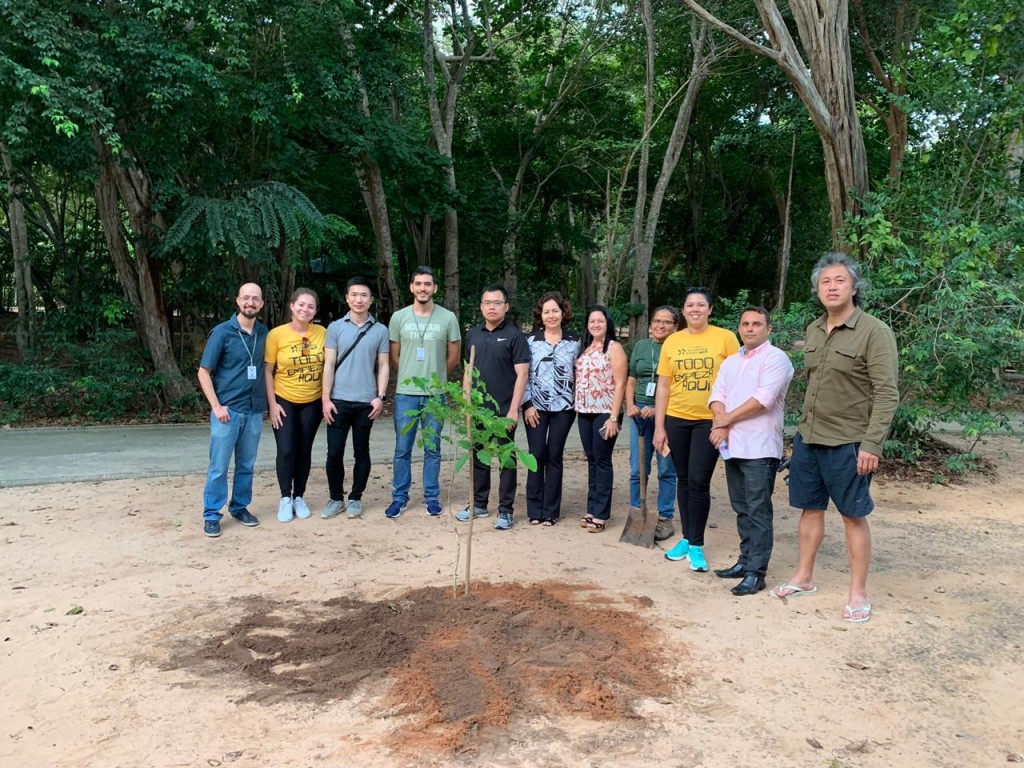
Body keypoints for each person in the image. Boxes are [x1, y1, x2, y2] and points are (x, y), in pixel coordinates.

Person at [770, 253, 898, 623]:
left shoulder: (875, 332)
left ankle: (857, 594)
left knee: (852, 516)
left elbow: (887, 393)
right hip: (810, 438)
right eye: (825, 282)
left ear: (854, 287)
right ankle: (804, 577)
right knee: (810, 510)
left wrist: (872, 444)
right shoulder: (813, 330)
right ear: (817, 289)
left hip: (850, 442)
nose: (831, 287)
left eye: (839, 280)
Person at [708, 307, 794, 595]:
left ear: (768, 329)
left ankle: (757, 573)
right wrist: (721, 422)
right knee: (741, 507)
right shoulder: (731, 362)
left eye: (756, 324)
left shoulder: (776, 359)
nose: (749, 328)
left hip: (760, 446)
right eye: (745, 324)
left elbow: (763, 400)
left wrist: (724, 420)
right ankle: (744, 561)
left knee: (758, 509)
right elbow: (717, 396)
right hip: (733, 445)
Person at [653, 287, 739, 571]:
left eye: (701, 305)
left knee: (699, 481)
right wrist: (659, 427)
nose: (695, 309)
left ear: (710, 309)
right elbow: (664, 386)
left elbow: (737, 382)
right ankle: (688, 539)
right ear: (684, 309)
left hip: (708, 420)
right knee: (683, 479)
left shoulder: (725, 338)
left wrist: (725, 421)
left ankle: (697, 545)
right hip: (677, 418)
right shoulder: (673, 341)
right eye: (690, 305)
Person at [386, 266, 462, 518]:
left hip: (435, 394)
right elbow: (395, 355)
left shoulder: (448, 317)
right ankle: (399, 497)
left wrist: (437, 376)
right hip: (406, 393)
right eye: (418, 283)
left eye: (427, 284)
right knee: (402, 448)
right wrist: (410, 374)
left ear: (435, 288)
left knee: (432, 448)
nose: (422, 288)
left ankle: (431, 496)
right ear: (411, 287)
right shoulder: (399, 317)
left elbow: (453, 357)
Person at [455, 285, 531, 530]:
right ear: (481, 306)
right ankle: (478, 503)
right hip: (478, 410)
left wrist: (513, 410)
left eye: (497, 302)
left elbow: (522, 375)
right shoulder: (473, 334)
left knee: (506, 459)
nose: (491, 307)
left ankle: (506, 510)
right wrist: (466, 403)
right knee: (479, 457)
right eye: (487, 302)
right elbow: (468, 371)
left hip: (502, 413)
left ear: (506, 307)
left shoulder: (514, 336)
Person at [198, 284, 268, 538]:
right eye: (246, 298)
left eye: (255, 299)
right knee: (219, 466)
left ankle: (239, 507)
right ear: (238, 301)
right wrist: (216, 407)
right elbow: (203, 372)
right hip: (227, 412)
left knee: (246, 465)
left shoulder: (264, 333)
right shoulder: (222, 332)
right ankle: (211, 514)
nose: (250, 303)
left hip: (253, 411)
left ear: (261, 304)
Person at [320, 277, 390, 520]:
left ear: (371, 300)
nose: (359, 299)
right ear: (347, 298)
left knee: (362, 451)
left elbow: (383, 366)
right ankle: (335, 497)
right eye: (354, 294)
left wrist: (380, 397)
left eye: (364, 295)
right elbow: (328, 364)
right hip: (337, 400)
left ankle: (356, 498)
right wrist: (325, 398)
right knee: (334, 453)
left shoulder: (380, 330)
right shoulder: (335, 328)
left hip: (365, 402)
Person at [265, 288, 326, 523]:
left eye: (310, 306)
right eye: (301, 305)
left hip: (312, 400)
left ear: (315, 311)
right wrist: (272, 404)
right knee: (287, 449)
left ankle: (299, 496)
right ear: (292, 306)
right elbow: (268, 371)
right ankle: (285, 498)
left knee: (304, 450)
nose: (305, 310)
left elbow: (329, 366)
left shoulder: (322, 333)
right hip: (284, 399)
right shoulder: (276, 335)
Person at [522, 292, 579, 526]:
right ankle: (535, 509)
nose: (551, 315)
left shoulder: (575, 343)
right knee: (536, 454)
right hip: (535, 407)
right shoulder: (530, 342)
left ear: (562, 313)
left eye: (555, 310)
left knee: (554, 455)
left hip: (564, 407)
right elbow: (523, 375)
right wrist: (526, 404)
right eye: (546, 311)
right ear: (540, 315)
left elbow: (581, 374)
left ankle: (551, 510)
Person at [626, 306, 680, 541]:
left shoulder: (679, 347)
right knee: (638, 468)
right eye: (657, 321)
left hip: (668, 414)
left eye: (667, 322)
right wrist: (630, 405)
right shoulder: (640, 346)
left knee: (667, 468)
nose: (660, 325)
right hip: (639, 416)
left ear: (675, 326)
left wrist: (659, 409)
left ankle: (665, 518)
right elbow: (631, 380)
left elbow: (678, 386)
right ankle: (638, 514)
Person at [575, 305, 628, 533]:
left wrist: (614, 418)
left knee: (602, 460)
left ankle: (601, 513)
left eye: (600, 321)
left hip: (606, 411)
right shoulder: (584, 348)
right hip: (585, 412)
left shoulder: (614, 348)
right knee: (592, 460)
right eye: (592, 321)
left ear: (608, 324)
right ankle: (591, 507)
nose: (596, 324)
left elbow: (621, 383)